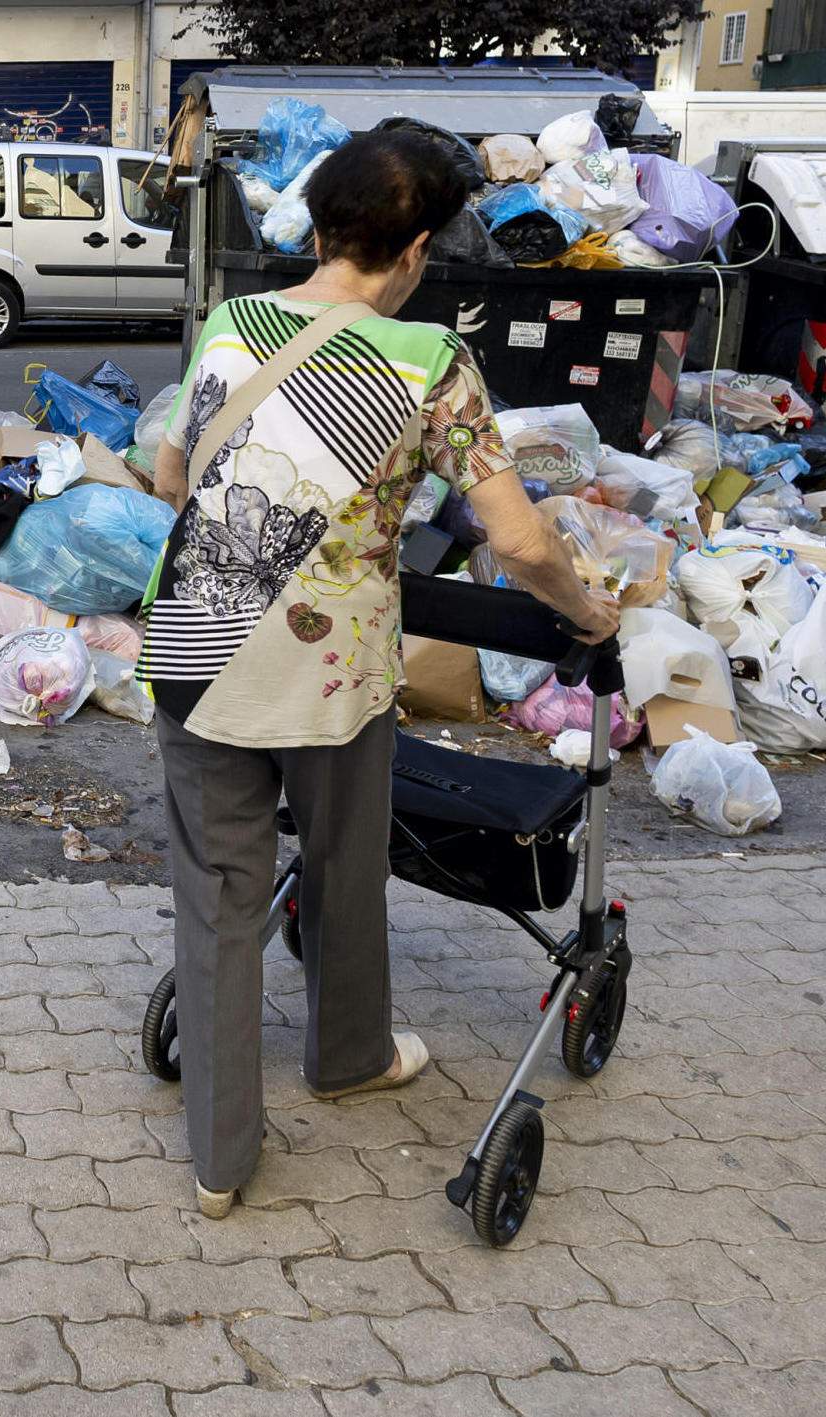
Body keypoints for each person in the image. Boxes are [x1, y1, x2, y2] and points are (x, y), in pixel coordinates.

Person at [143, 129, 621, 1220]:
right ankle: (348, 1057)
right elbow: (524, 543)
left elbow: (172, 472)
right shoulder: (429, 365)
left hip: (196, 656)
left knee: (217, 905)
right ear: (411, 252)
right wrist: (589, 615)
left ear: (318, 229)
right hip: (332, 674)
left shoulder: (227, 326)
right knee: (346, 863)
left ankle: (220, 1163)